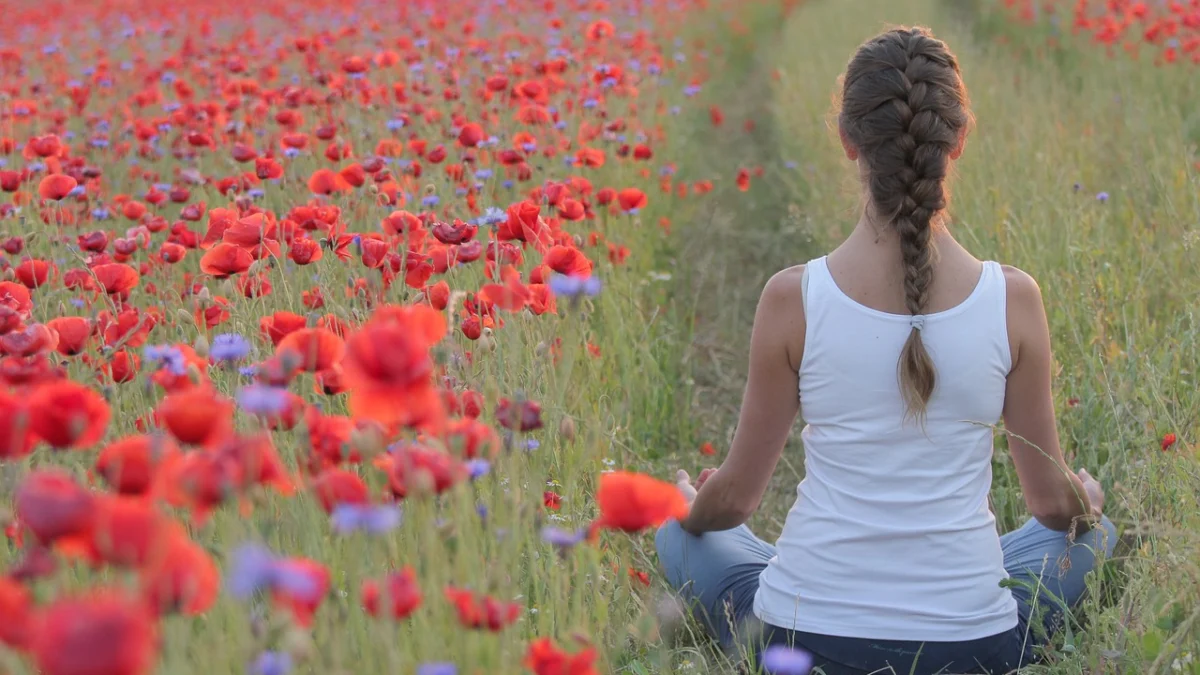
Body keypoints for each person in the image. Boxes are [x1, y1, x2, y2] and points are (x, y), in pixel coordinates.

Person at [654, 26, 1117, 675]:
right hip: (973, 648)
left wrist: (692, 504)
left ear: (848, 139)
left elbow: (733, 500)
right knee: (1092, 535)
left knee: (681, 530)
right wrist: (1084, 501)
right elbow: (1049, 502)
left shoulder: (793, 298)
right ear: (957, 139)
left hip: (802, 637)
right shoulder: (1013, 299)